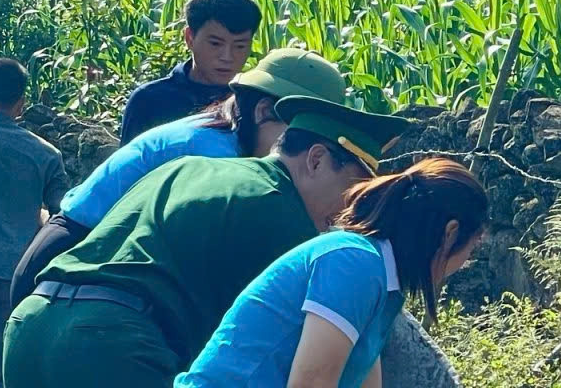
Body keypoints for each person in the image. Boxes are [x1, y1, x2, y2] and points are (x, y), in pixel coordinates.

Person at [1, 95, 412, 388]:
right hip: (112, 346)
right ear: (317, 160)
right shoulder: (286, 217)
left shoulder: (190, 166)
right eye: (355, 188)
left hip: (30, 327)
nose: (352, 208)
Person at [9, 47, 348, 307]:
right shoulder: (213, 157)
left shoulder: (225, 137)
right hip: (70, 268)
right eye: (302, 134)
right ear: (262, 112)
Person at [177, 157, 487, 388]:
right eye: (470, 248)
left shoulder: (382, 283)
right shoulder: (355, 263)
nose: (464, 262)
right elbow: (310, 384)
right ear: (450, 233)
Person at [0, 60, 67, 388]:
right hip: (17, 277)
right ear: (21, 105)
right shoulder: (47, 154)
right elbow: (63, 215)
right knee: (1, 377)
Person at [119, 0, 262, 145]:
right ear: (189, 38)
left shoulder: (255, 101)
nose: (227, 57)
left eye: (240, 46)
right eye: (215, 44)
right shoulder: (150, 101)